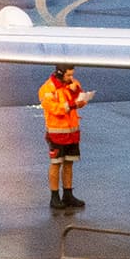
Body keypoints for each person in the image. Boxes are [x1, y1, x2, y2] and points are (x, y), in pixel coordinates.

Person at [39, 63, 92, 212]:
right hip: (57, 134)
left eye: (72, 74)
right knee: (56, 163)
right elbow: (54, 109)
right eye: (68, 75)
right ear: (60, 73)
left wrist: (79, 97)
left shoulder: (73, 84)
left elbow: (80, 103)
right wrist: (72, 104)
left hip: (72, 133)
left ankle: (68, 194)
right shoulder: (47, 89)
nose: (71, 78)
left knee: (69, 163)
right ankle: (54, 197)